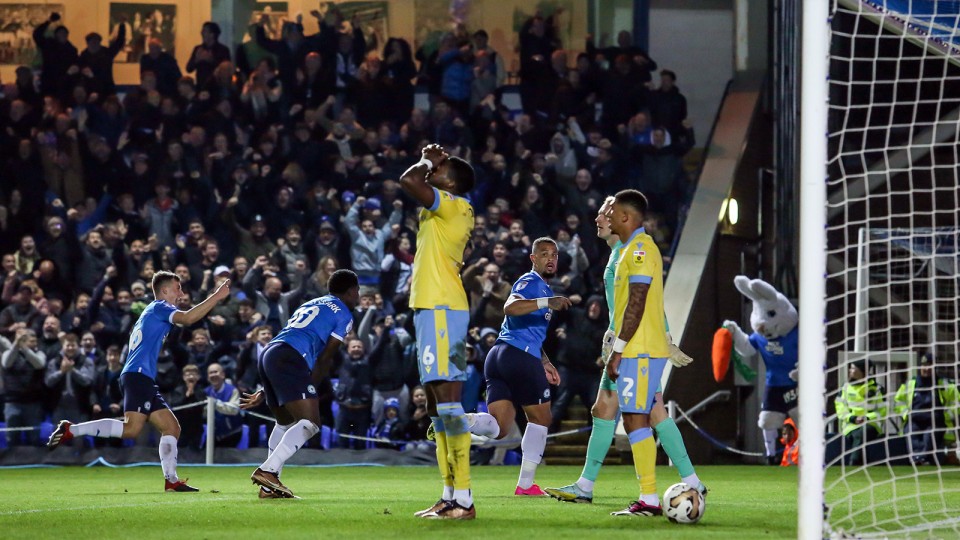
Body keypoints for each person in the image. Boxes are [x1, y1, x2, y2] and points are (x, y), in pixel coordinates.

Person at [545, 196, 704, 505]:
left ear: (622, 218)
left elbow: (641, 300)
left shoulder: (634, 251)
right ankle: (586, 486)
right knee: (606, 409)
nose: (600, 219)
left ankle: (658, 494)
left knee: (645, 415)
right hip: (625, 343)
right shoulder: (619, 253)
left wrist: (663, 334)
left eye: (606, 213)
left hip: (636, 346)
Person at [47, 271, 232, 493]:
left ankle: (171, 481)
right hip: (137, 375)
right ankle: (71, 429)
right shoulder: (160, 307)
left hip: (141, 376)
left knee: (171, 427)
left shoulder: (153, 311)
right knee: (132, 429)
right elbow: (189, 318)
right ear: (164, 291)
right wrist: (216, 296)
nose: (181, 292)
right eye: (177, 287)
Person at [399, 143, 477, 520]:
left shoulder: (453, 204)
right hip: (431, 309)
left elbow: (409, 178)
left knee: (448, 403)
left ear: (454, 183)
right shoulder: (439, 211)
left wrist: (429, 158)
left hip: (444, 309)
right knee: (435, 407)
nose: (433, 172)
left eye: (442, 170)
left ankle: (464, 498)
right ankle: (449, 495)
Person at [463, 237, 571, 495]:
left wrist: (544, 360)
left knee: (500, 429)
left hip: (501, 357)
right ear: (533, 258)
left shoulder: (543, 288)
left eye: (554, 255)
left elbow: (529, 330)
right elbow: (509, 307)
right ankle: (525, 485)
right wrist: (548, 302)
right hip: (517, 357)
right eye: (544, 254)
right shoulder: (530, 281)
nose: (551, 259)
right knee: (542, 418)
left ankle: (461, 422)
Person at [239, 269, 359, 499]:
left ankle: (268, 487)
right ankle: (267, 471)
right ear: (351, 291)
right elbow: (326, 357)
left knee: (285, 421)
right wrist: (309, 385)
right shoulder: (344, 314)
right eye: (357, 292)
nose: (357, 297)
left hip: (271, 353)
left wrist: (267, 388)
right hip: (291, 358)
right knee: (310, 423)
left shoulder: (314, 302)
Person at [894, 355, 960, 465]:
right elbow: (898, 402)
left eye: (930, 365)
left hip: (935, 421)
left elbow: (957, 403)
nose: (927, 368)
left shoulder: (945, 384)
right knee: (911, 433)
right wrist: (906, 414)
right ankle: (919, 459)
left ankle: (919, 459)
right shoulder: (909, 384)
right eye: (924, 365)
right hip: (914, 420)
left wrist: (944, 415)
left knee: (929, 436)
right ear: (920, 367)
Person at [835, 359, 886, 466]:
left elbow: (883, 411)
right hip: (850, 426)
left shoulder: (876, 389)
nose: (850, 370)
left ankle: (853, 463)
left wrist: (866, 418)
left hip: (871, 425)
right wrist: (852, 418)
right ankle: (859, 464)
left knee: (862, 432)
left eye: (853, 368)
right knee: (858, 434)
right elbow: (840, 408)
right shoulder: (845, 388)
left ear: (862, 372)